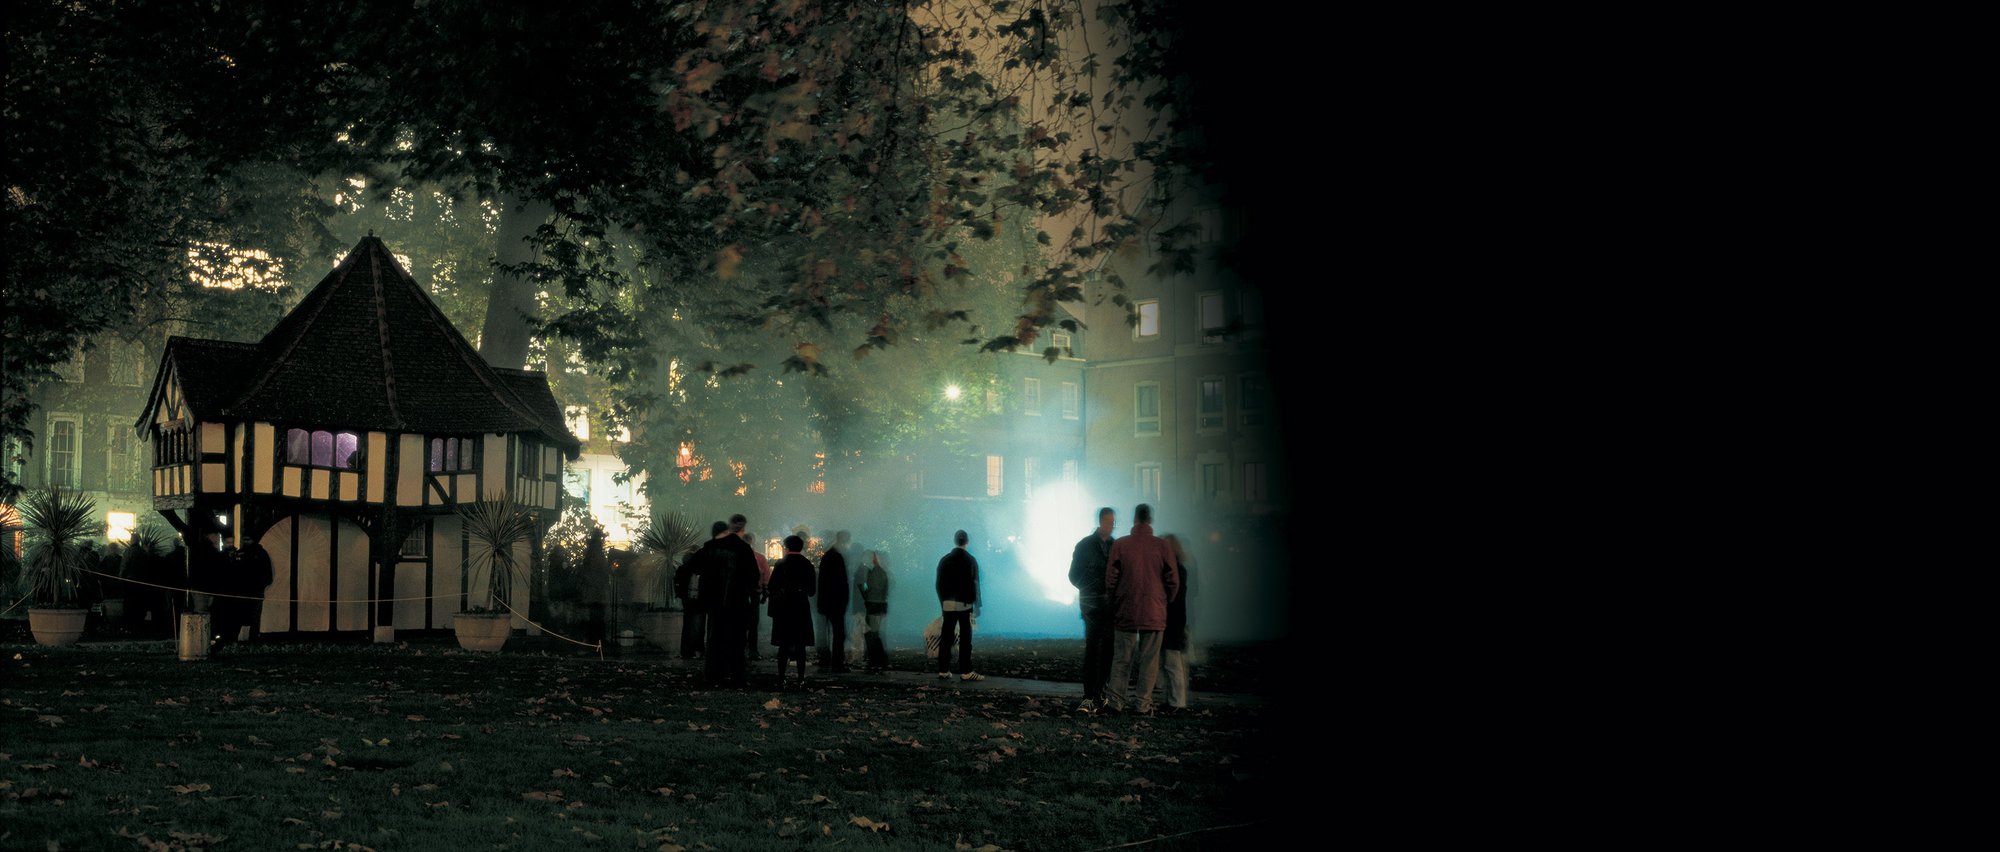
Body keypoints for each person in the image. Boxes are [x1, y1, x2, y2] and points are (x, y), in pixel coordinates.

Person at [1103, 504, 1178, 716]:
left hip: (1126, 608)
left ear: (1134, 519)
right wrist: (1165, 601)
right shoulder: (1162, 546)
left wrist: (1114, 598)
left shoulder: (1121, 545)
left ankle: (1115, 702)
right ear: (1150, 520)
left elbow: (1111, 578)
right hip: (1154, 610)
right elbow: (1173, 579)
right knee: (1149, 661)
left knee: (1121, 659)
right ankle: (1143, 704)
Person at [699, 514, 762, 687]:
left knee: (715, 639)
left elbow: (698, 568)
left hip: (715, 603)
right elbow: (753, 575)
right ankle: (737, 676)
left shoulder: (711, 548)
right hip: (738, 603)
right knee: (737, 640)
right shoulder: (743, 549)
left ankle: (713, 675)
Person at [1068, 507, 1117, 713]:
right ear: (1102, 521)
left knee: (1102, 651)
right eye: (1109, 521)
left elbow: (1074, 576)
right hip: (1098, 606)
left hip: (1097, 605)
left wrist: (1088, 588)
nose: (1111, 525)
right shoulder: (1112, 546)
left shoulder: (1087, 545)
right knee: (1099, 650)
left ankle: (1095, 694)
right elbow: (1074, 575)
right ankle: (1093, 694)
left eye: (1112, 522)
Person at [767, 535, 816, 689]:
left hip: (783, 608)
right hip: (801, 608)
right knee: (800, 645)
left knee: (783, 645)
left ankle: (781, 677)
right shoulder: (807, 564)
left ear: (786, 547)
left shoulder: (780, 565)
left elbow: (771, 587)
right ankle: (801, 678)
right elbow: (812, 591)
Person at [934, 529, 983, 681]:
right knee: (965, 637)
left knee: (946, 636)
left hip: (948, 604)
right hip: (965, 604)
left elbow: (938, 584)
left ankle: (943, 669)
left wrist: (943, 601)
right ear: (967, 542)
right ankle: (966, 670)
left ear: (954, 541)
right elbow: (975, 584)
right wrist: (977, 604)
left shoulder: (944, 560)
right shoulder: (971, 560)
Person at [674, 522, 726, 659]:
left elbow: (691, 570)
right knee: (712, 626)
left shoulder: (703, 552)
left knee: (696, 625)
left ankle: (695, 650)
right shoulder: (727, 553)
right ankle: (710, 651)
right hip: (715, 595)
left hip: (700, 595)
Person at [1159, 534, 1194, 714]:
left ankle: (1177, 702)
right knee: (1172, 664)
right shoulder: (1179, 569)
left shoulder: (1174, 570)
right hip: (1175, 620)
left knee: (1173, 664)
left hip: (1172, 621)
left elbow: (1173, 597)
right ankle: (1174, 700)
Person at [816, 530, 852, 672]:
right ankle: (837, 663)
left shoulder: (828, 555)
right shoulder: (836, 556)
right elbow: (841, 582)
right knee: (839, 633)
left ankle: (827, 659)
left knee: (830, 632)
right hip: (836, 602)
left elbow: (823, 582)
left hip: (829, 602)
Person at [740, 527, 771, 662]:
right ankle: (752, 650)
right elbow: (766, 577)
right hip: (754, 593)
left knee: (740, 622)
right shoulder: (759, 557)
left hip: (740, 593)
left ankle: (740, 649)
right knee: (753, 622)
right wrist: (765, 591)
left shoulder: (737, 557)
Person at [858, 549, 891, 672]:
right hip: (878, 605)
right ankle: (878, 660)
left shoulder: (876, 572)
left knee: (872, 634)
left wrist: (863, 589)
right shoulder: (881, 572)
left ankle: (877, 660)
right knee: (873, 633)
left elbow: (873, 588)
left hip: (874, 605)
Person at [577, 527, 611, 644]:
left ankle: (594, 638)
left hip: (593, 591)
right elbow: (600, 573)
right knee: (597, 615)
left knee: (594, 615)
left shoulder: (590, 553)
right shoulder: (597, 553)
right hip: (596, 591)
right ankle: (597, 639)